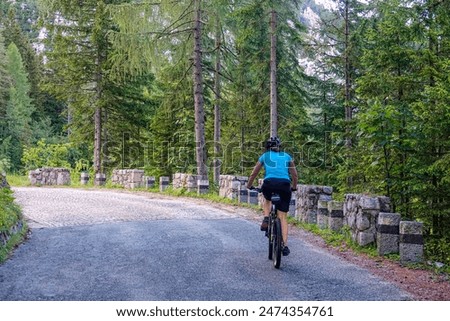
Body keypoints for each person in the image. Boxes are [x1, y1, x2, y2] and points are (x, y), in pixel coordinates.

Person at [247, 136, 298, 256]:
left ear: (267, 147)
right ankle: (284, 245)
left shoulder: (265, 156)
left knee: (267, 198)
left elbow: (254, 172)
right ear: (279, 147)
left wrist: (249, 185)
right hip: (285, 185)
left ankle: (266, 217)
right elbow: (295, 175)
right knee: (283, 217)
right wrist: (294, 187)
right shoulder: (286, 156)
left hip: (269, 183)